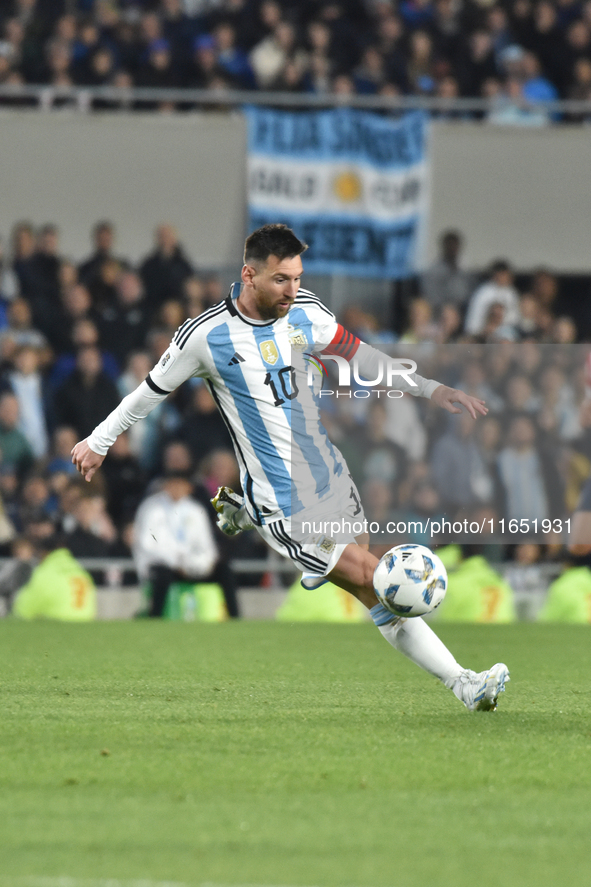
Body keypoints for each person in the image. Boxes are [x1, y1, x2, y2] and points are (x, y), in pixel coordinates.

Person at [72, 224, 509, 712]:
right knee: (374, 574)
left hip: (331, 477)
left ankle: (461, 684)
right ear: (249, 274)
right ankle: (464, 681)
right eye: (281, 279)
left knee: (373, 594)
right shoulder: (206, 336)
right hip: (287, 502)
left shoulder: (306, 313)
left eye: (297, 277)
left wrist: (431, 389)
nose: (293, 289)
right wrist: (99, 440)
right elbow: (147, 393)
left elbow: (363, 357)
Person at [133, 470, 220, 618]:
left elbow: (207, 546)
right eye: (173, 484)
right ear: (165, 486)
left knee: (224, 571)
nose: (177, 489)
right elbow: (147, 545)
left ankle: (234, 617)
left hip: (191, 566)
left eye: (181, 485)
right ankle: (155, 616)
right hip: (164, 565)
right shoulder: (152, 508)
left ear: (189, 488)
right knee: (162, 575)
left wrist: (198, 564)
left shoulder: (196, 510)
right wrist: (177, 562)